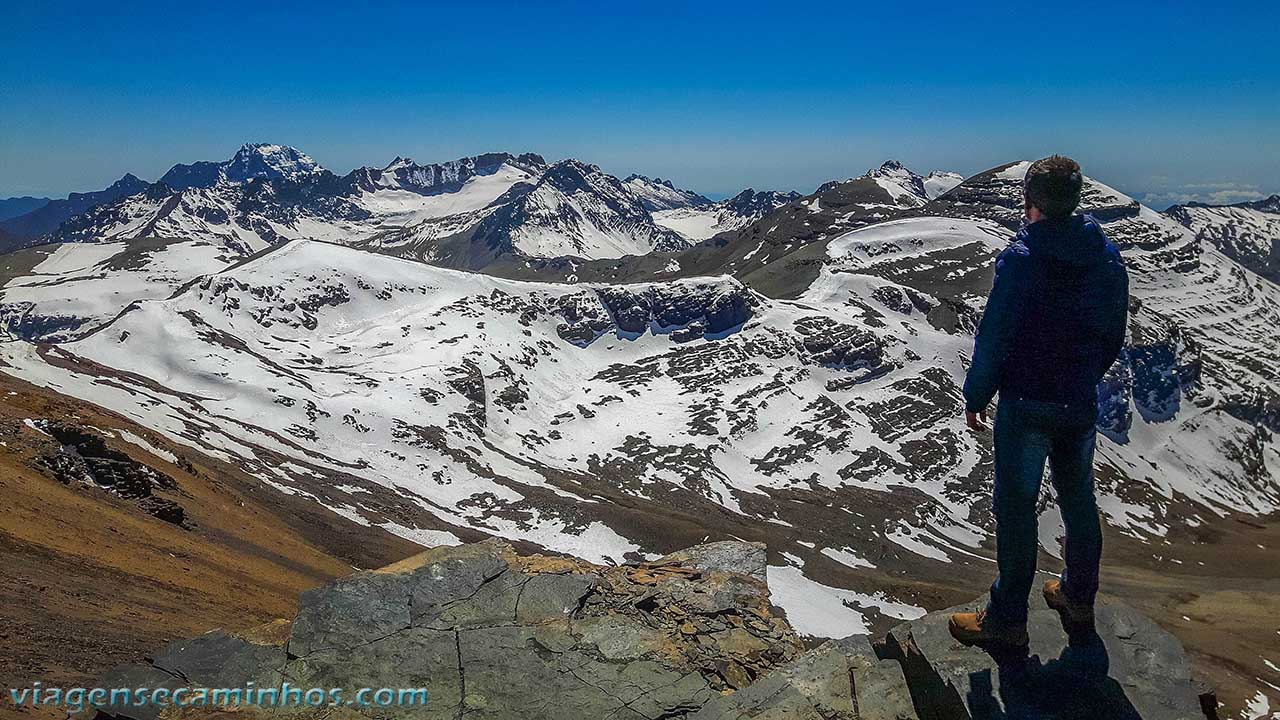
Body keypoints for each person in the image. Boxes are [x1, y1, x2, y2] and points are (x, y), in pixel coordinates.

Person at [948, 156, 1129, 648]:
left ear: (1029, 201)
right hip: (1077, 401)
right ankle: (1078, 596)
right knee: (1079, 501)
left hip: (1026, 403)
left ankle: (1007, 620)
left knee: (1016, 507)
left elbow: (996, 336)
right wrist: (1085, 374)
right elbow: (1114, 331)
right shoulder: (1106, 256)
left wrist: (977, 393)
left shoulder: (1022, 259)